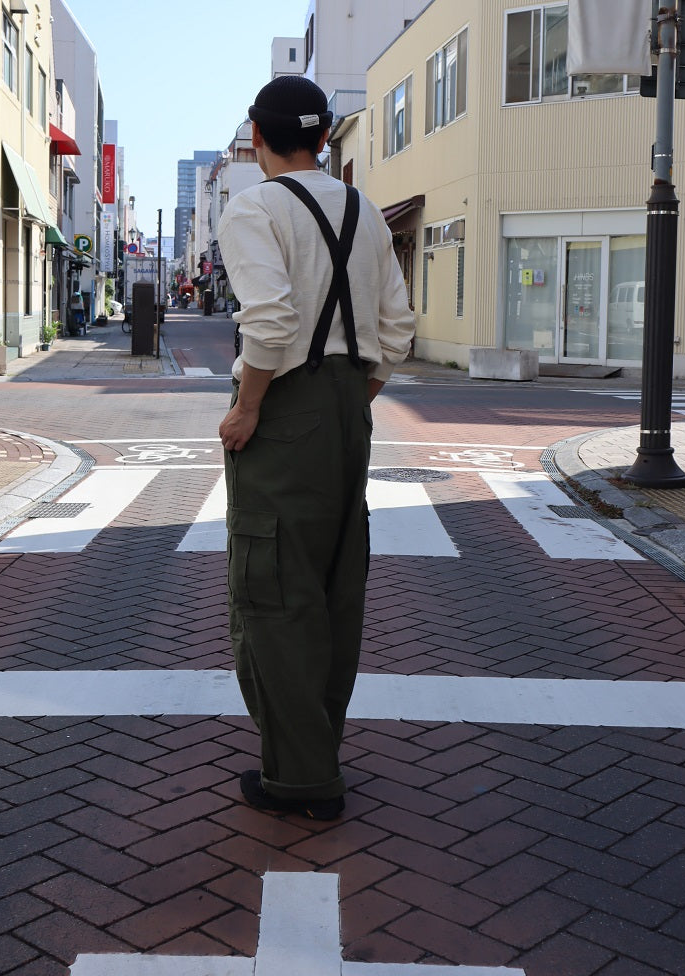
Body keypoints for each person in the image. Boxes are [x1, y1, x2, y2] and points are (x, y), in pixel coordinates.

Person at [218, 76, 415, 820]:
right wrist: (354, 397)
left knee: (273, 584)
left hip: (288, 398)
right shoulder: (364, 209)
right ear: (326, 138)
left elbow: (268, 321)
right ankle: (315, 750)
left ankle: (300, 779)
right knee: (336, 584)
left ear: (256, 139)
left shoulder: (255, 207)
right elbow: (397, 325)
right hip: (346, 404)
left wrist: (250, 406)